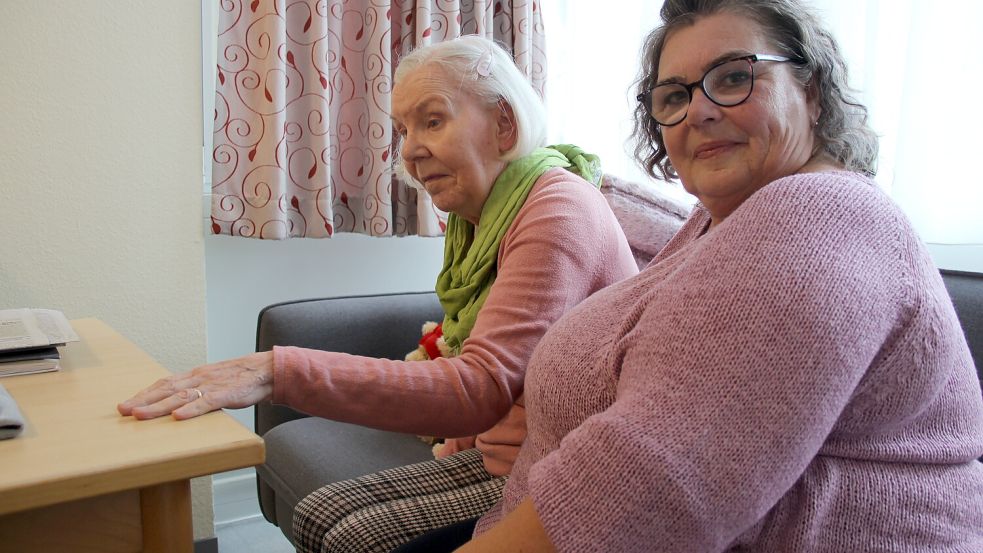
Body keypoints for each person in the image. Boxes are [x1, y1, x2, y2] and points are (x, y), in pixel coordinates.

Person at [443, 1, 983, 551]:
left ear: (813, 93)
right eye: (675, 95)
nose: (698, 111)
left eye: (733, 77)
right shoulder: (717, 222)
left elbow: (652, 486)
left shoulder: (820, 215)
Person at [117, 35, 638, 552]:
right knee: (321, 515)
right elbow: (493, 363)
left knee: (349, 532)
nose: (409, 150)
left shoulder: (557, 210)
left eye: (432, 120)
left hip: (569, 459)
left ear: (504, 124)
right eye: (403, 129)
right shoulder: (477, 217)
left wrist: (277, 371)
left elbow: (480, 385)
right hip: (507, 440)